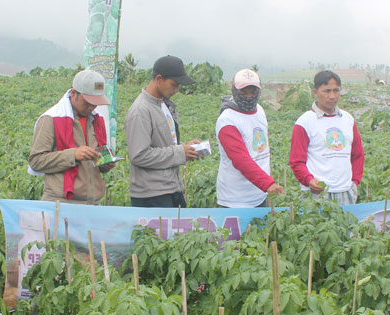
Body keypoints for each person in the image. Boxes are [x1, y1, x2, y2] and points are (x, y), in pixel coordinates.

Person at [28, 70, 115, 204]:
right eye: (87, 102)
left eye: (95, 103)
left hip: (92, 203)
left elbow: (98, 164)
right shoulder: (51, 119)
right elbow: (36, 161)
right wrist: (73, 155)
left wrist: (106, 163)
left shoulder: (97, 120)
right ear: (73, 94)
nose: (92, 107)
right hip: (61, 203)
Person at [125, 55, 201, 207]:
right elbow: (139, 155)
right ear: (159, 79)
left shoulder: (163, 105)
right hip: (152, 196)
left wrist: (186, 148)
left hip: (171, 189)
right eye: (174, 84)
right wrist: (180, 152)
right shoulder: (141, 111)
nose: (177, 90)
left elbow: (163, 144)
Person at [289, 70, 364, 205]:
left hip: (346, 192)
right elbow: (296, 161)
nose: (332, 96)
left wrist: (355, 182)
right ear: (315, 92)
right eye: (327, 91)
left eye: (336, 91)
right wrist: (309, 180)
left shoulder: (348, 119)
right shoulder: (304, 122)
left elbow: (357, 155)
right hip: (316, 194)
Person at [215, 69, 284, 207]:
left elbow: (264, 149)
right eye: (243, 92)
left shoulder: (259, 110)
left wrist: (266, 182)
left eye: (253, 92)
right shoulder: (227, 120)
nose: (248, 96)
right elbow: (240, 159)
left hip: (260, 193)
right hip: (236, 199)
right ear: (234, 89)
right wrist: (267, 183)